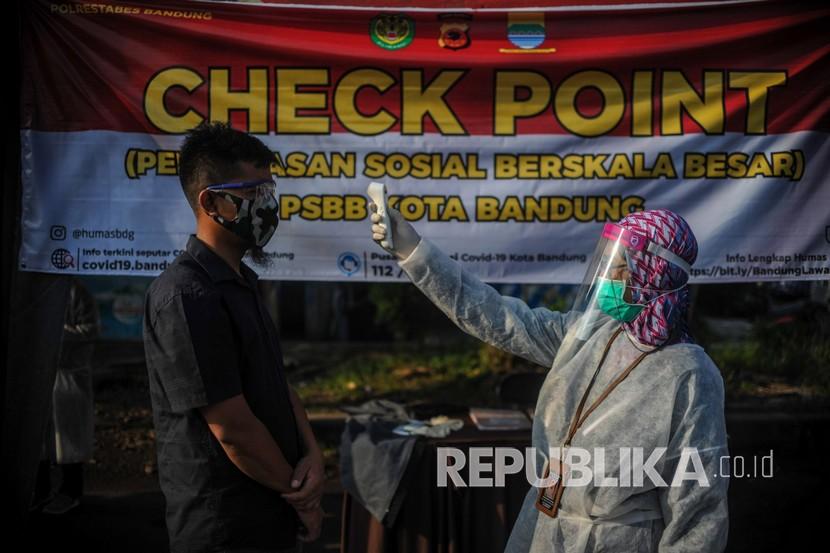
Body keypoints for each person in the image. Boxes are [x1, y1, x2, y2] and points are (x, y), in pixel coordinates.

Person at [370, 205, 729, 553]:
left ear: (654, 276)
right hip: (546, 527)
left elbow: (698, 509)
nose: (607, 279)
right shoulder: (590, 336)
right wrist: (414, 252)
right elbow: (496, 316)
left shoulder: (689, 374)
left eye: (620, 269)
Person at [143, 121, 324, 553]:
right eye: (255, 194)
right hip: (224, 527)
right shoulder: (186, 296)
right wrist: (303, 498)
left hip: (270, 512)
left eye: (270, 191)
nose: (269, 206)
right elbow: (232, 428)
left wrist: (313, 456)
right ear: (213, 203)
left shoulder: (241, 281)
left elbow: (275, 383)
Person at [34, 277, 100, 515]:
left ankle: (70, 492)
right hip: (40, 376)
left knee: (70, 441)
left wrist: (57, 333)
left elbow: (90, 330)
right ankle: (40, 491)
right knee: (39, 440)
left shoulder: (76, 293)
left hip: (68, 376)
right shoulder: (35, 291)